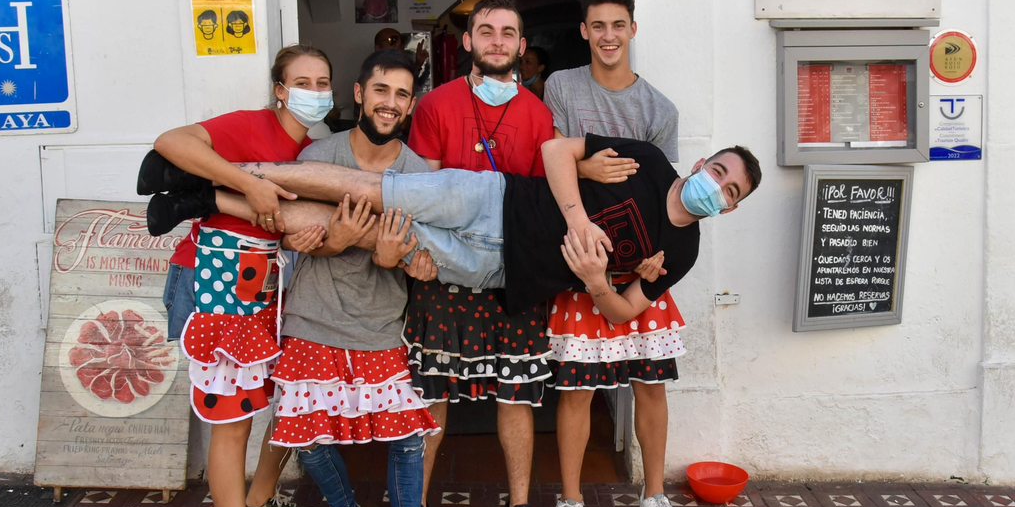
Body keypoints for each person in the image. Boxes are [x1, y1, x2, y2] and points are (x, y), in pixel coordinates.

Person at [147, 136, 761, 346]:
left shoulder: (682, 254)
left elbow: (627, 310)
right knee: (373, 189)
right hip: (492, 198)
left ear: (733, 209)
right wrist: (576, 218)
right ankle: (220, 174)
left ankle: (202, 201)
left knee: (362, 232)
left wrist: (599, 282)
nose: (719, 189)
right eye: (720, 173)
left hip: (496, 270)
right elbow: (555, 151)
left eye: (731, 193)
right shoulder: (649, 162)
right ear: (705, 161)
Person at [143, 45, 333, 507]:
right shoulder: (248, 126)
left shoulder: (317, 149)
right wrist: (243, 185)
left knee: (283, 394)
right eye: (302, 80)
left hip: (268, 284)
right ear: (279, 88)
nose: (314, 90)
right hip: (217, 284)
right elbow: (170, 143)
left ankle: (261, 497)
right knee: (232, 421)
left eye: (323, 81)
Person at [268, 48, 447, 507]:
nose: (389, 103)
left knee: (406, 440)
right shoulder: (316, 155)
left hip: (379, 323)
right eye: (380, 91)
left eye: (401, 94)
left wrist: (406, 264)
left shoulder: (420, 175)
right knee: (308, 434)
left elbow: (435, 259)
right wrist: (330, 242)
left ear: (410, 103)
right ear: (358, 93)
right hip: (313, 315)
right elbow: (277, 224)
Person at [399, 0, 557, 507]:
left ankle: (517, 506)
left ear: (521, 45)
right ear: (466, 42)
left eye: (507, 32)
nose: (496, 41)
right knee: (432, 391)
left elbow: (543, 205)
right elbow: (422, 198)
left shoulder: (540, 116)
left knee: (516, 394)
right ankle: (413, 503)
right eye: (484, 31)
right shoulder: (435, 105)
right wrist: (418, 255)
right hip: (442, 271)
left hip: (512, 276)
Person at [538, 0, 687, 507]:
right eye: (596, 25)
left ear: (632, 29)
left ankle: (654, 496)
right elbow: (552, 163)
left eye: (617, 25)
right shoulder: (561, 87)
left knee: (651, 386)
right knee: (575, 391)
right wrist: (589, 174)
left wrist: (656, 265)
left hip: (644, 265)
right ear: (583, 31)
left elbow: (664, 192)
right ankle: (570, 504)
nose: (607, 35)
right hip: (580, 262)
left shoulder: (659, 109)